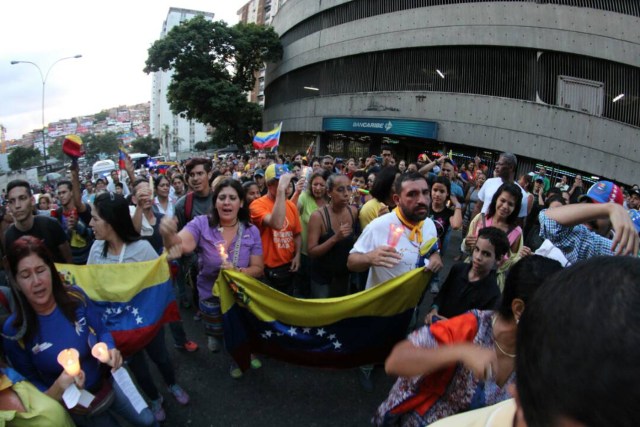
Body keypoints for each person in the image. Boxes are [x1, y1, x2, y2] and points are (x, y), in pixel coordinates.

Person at [373, 255, 563, 426]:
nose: (563, 323)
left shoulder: (539, 353)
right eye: (556, 313)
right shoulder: (473, 326)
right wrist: (460, 351)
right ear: (519, 309)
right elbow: (395, 362)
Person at [2, 236, 156, 426]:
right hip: (79, 406)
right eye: (25, 275)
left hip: (110, 382)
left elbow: (101, 329)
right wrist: (58, 392)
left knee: (148, 420)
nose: (36, 281)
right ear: (16, 282)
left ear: (51, 270)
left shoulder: (75, 296)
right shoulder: (14, 331)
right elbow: (28, 383)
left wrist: (110, 348)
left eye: (41, 270)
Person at [87, 193, 189, 422]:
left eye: (95, 218)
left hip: (147, 322)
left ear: (111, 221)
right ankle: (154, 398)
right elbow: (90, 286)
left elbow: (160, 277)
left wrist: (169, 257)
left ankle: (172, 384)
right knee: (138, 368)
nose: (90, 223)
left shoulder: (141, 249)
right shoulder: (95, 250)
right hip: (118, 327)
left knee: (160, 357)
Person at [348, 172, 443, 391]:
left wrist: (436, 256)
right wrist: (369, 258)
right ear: (397, 199)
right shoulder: (378, 226)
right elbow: (351, 262)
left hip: (410, 305)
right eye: (412, 194)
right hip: (379, 306)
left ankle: (389, 361)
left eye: (425, 193)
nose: (422, 199)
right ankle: (365, 368)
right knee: (371, 340)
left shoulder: (428, 224)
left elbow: (432, 248)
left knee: (399, 336)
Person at [161, 179, 264, 378]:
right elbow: (180, 246)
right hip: (211, 296)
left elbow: (258, 269)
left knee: (243, 327)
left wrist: (237, 271)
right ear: (215, 202)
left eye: (232, 198)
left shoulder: (251, 231)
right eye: (222, 198)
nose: (227, 203)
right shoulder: (201, 224)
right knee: (225, 331)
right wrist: (168, 234)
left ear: (241, 203)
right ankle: (229, 352)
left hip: (241, 296)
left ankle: (246, 354)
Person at [539, 184, 639, 263]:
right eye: (588, 208)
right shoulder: (574, 235)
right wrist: (610, 208)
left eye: (599, 212)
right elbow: (548, 219)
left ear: (613, 219)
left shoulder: (615, 252)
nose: (588, 217)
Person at [427, 227, 509, 322]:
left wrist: (450, 325)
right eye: (477, 249)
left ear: (499, 260)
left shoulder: (492, 294)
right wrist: (434, 309)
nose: (478, 257)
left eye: (486, 254)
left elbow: (478, 327)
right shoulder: (458, 269)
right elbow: (442, 294)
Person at [464, 183, 528, 290]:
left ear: (516, 208)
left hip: (492, 283)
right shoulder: (480, 219)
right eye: (502, 200)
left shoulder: (516, 232)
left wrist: (523, 257)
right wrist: (466, 243)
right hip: (469, 271)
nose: (505, 206)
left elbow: (513, 263)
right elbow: (466, 246)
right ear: (495, 199)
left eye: (510, 204)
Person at [250, 164, 302, 296]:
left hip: (287, 268)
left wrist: (297, 255)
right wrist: (281, 191)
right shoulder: (257, 205)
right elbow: (277, 223)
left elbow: (296, 233)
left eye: (288, 183)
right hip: (266, 270)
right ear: (269, 185)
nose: (286, 187)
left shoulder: (291, 206)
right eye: (280, 183)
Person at [307, 174, 358, 298]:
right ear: (329, 192)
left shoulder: (353, 211)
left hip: (344, 276)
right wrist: (335, 238)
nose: (346, 193)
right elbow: (311, 251)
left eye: (349, 188)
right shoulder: (318, 216)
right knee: (323, 314)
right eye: (340, 190)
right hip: (322, 278)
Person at [4, 180, 72, 264]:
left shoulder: (51, 224)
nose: (17, 205)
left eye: (22, 198)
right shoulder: (9, 236)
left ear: (32, 200)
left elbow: (69, 260)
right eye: (12, 201)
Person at [296, 170, 329, 297]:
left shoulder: (331, 201)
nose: (318, 188)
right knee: (303, 290)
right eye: (315, 184)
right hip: (304, 253)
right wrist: (296, 193)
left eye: (321, 185)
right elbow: (292, 213)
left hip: (323, 255)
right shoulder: (304, 197)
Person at [55, 163, 94, 264]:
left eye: (64, 192)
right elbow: (60, 242)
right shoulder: (58, 214)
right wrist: (68, 230)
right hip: (73, 264)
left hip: (89, 260)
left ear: (71, 192)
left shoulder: (83, 209)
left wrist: (77, 226)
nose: (61, 196)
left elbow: (93, 234)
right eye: (59, 193)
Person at [471, 153, 529, 221]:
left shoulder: (523, 195)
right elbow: (477, 208)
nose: (496, 166)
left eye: (500, 164)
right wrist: (471, 230)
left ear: (511, 167)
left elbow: (518, 222)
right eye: (497, 163)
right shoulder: (489, 182)